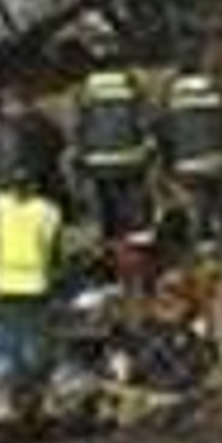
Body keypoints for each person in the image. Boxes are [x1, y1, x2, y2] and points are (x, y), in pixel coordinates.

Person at [0, 159, 62, 423]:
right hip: (34, 285)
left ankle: (17, 394)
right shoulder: (48, 211)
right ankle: (33, 394)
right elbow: (53, 252)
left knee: (11, 341)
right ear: (36, 186)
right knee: (36, 341)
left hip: (0, 284)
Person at [72, 63, 157, 288]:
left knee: (107, 221)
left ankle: (111, 274)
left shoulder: (85, 90)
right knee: (137, 222)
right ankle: (143, 272)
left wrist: (81, 163)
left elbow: (78, 130)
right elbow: (145, 124)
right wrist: (149, 155)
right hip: (132, 163)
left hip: (98, 165)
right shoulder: (131, 85)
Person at [158, 70, 222, 252]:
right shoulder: (216, 87)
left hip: (188, 161)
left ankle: (206, 242)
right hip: (217, 157)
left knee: (200, 202)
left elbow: (164, 130)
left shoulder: (171, 91)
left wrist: (168, 164)